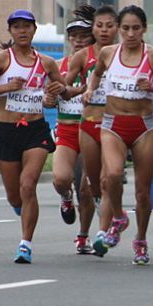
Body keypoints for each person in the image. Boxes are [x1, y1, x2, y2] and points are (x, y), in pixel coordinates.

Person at [0, 9, 69, 264]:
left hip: (34, 131)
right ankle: (20, 206)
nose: (22, 31)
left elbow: (63, 92)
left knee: (29, 185)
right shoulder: (1, 59)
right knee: (15, 195)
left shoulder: (47, 63)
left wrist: (56, 92)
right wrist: (7, 87)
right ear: (10, 31)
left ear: (34, 30)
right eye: (17, 27)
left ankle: (25, 244)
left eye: (26, 26)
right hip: (6, 132)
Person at [85, 5, 153, 265]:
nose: (130, 33)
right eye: (125, 28)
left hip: (144, 126)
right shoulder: (108, 53)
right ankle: (118, 217)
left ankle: (140, 239)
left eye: (135, 28)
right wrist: (90, 91)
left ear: (144, 29)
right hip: (113, 124)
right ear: (118, 29)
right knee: (112, 175)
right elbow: (96, 74)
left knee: (141, 192)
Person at [65, 4, 119, 218]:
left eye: (109, 26)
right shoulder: (80, 58)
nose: (104, 30)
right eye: (100, 26)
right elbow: (64, 89)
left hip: (116, 124)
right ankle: (89, 203)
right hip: (85, 123)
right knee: (89, 184)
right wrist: (66, 91)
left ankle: (105, 231)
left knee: (108, 179)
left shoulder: (128, 52)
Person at [49, 18, 97, 253]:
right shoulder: (57, 66)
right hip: (67, 131)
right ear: (69, 39)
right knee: (60, 179)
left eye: (84, 35)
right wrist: (48, 97)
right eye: (74, 35)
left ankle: (83, 235)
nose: (78, 40)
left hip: (90, 130)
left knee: (86, 189)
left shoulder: (100, 64)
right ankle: (66, 196)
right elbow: (48, 97)